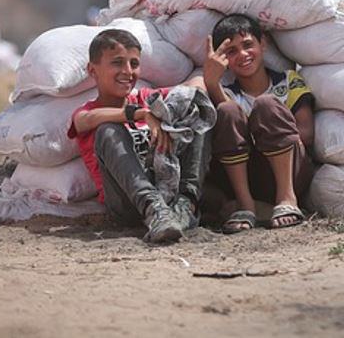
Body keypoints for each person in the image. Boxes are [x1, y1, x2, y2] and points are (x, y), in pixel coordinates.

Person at [67, 29, 212, 244]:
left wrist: (168, 112)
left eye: (134, 64)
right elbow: (85, 120)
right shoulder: (87, 112)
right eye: (117, 63)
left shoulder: (147, 98)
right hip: (128, 205)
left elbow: (196, 85)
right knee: (108, 129)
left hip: (168, 189)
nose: (127, 71)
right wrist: (139, 113)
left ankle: (185, 206)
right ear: (92, 70)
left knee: (196, 111)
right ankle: (155, 210)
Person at [204, 14, 315, 233]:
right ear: (222, 59)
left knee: (266, 105)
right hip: (246, 176)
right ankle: (246, 205)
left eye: (247, 45)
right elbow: (231, 128)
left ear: (262, 43)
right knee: (226, 111)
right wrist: (211, 82)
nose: (243, 55)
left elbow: (307, 132)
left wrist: (273, 136)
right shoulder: (227, 94)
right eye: (231, 51)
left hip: (289, 171)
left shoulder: (288, 81)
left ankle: (286, 200)